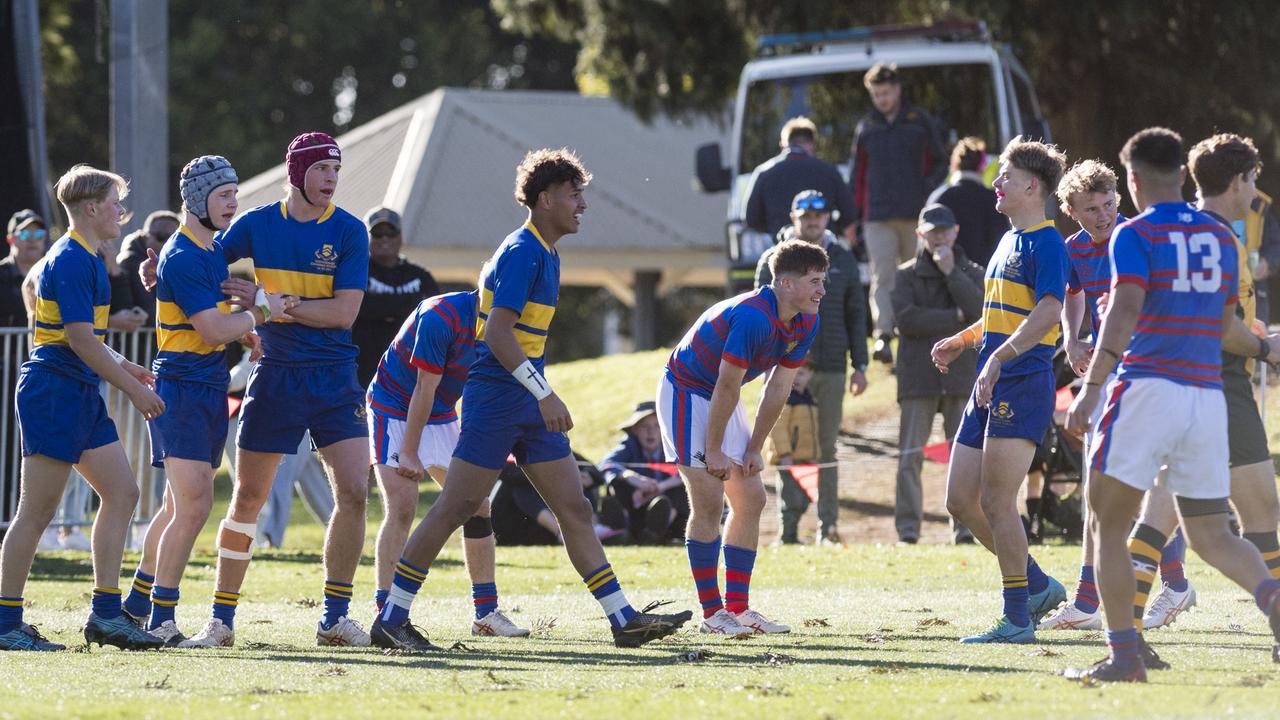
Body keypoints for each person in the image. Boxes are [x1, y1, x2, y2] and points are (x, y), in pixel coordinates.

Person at [368, 148, 691, 652]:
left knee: (576, 508)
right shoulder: (522, 251)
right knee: (457, 506)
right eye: (574, 194)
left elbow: (520, 338)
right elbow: (496, 334)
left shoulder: (546, 250)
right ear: (545, 200)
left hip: (523, 398)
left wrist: (538, 391)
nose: (582, 204)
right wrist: (543, 392)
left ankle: (623, 620)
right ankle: (392, 617)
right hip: (498, 399)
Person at [1062, 128, 1280, 682]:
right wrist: (1265, 349)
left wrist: (1090, 388)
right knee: (1213, 534)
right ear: (1183, 175)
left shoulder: (1133, 233)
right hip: (1208, 395)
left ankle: (1124, 659)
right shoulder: (1220, 235)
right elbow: (1225, 324)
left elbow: (1125, 307)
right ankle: (1275, 600)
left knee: (1107, 526)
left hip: (1147, 388)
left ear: (1131, 180)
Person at [141, 132, 373, 648]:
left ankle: (334, 618)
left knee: (355, 492)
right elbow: (198, 259)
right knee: (248, 498)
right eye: (321, 170)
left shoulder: (351, 231)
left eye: (336, 170)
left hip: (336, 378)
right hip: (276, 375)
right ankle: (220, 622)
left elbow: (343, 314)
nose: (332, 179)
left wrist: (273, 301)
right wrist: (158, 269)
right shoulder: (255, 223)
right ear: (297, 174)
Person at [117, 157, 290, 645]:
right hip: (184, 388)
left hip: (205, 383)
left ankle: (135, 605)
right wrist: (260, 313)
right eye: (223, 195)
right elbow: (212, 328)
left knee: (177, 505)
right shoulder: (188, 255)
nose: (232, 202)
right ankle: (162, 621)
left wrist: (245, 328)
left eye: (235, 192)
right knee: (193, 506)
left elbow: (211, 323)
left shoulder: (208, 249)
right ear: (196, 200)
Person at [0, 165, 166, 651]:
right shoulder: (72, 259)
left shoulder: (90, 257)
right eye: (116, 203)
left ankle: (106, 616)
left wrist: (127, 366)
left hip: (77, 389)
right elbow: (77, 342)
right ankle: (6, 624)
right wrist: (134, 392)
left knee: (123, 493)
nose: (122, 212)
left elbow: (89, 341)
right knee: (37, 511)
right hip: (54, 391)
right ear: (91, 208)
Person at [1038, 160, 1192, 634]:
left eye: (1108, 205)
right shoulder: (1073, 249)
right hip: (1109, 376)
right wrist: (1072, 337)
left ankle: (1170, 584)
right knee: (1103, 488)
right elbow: (1073, 293)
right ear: (1069, 211)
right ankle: (1097, 599)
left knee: (1133, 487)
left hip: (1144, 373)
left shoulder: (1137, 237)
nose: (1103, 215)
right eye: (1091, 209)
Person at [931, 138, 1069, 643]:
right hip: (989, 378)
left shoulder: (1047, 243)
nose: (996, 183)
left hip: (1023, 382)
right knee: (959, 502)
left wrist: (998, 357)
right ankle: (1036, 585)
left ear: (1032, 186)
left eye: (1005, 175)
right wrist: (964, 340)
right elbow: (997, 316)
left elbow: (1049, 313)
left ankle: (1018, 618)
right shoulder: (1007, 239)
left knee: (995, 502)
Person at [660, 239, 825, 636]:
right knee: (709, 500)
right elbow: (728, 384)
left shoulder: (806, 318)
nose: (822, 290)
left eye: (824, 280)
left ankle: (739, 608)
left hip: (719, 396)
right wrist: (714, 450)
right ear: (785, 284)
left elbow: (778, 388)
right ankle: (712, 613)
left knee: (751, 498)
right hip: (686, 390)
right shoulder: (752, 317)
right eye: (815, 281)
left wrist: (753, 448)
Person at [366, 288, 528, 637]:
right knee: (403, 506)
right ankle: (387, 613)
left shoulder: (505, 324)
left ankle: (486, 614)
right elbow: (424, 386)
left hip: (441, 413)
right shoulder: (442, 314)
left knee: (478, 506)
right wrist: (409, 451)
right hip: (393, 406)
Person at [755, 190, 868, 544]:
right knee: (785, 448)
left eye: (818, 215)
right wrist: (771, 363)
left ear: (827, 218)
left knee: (826, 449)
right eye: (804, 215)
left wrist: (859, 364)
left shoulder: (844, 260)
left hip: (832, 365)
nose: (812, 221)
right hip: (784, 367)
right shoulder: (772, 260)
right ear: (793, 218)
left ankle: (827, 527)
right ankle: (788, 529)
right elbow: (760, 315)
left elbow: (856, 314)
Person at [890, 203, 984, 545]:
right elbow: (906, 320)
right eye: (932, 232)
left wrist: (951, 274)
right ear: (920, 235)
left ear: (955, 231)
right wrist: (954, 317)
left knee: (965, 458)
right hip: (919, 379)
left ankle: (965, 529)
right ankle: (908, 531)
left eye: (944, 230)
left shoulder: (972, 272)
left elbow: (980, 314)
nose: (939, 237)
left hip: (961, 378)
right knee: (909, 458)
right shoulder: (905, 275)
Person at [851, 62, 948, 364]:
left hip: (915, 214)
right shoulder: (867, 127)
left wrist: (925, 190)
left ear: (897, 90)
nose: (882, 99)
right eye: (876, 94)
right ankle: (883, 334)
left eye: (886, 93)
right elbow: (857, 176)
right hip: (877, 216)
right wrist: (853, 218)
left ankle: (913, 334)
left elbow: (940, 162)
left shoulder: (918, 121)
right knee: (883, 276)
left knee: (914, 273)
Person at [353, 207, 439, 388]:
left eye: (391, 233)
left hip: (409, 373)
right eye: (377, 233)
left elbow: (435, 316)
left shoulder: (420, 275)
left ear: (401, 236)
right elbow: (355, 308)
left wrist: (378, 308)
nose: (385, 239)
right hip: (362, 372)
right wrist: (408, 307)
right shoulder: (355, 271)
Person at [744, 117, 857, 241]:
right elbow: (849, 214)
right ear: (813, 144)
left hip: (782, 250)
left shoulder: (764, 172)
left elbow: (751, 219)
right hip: (821, 252)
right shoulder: (829, 171)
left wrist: (775, 227)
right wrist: (829, 226)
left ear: (783, 145)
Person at [601, 401, 688, 544]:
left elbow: (691, 469)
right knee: (617, 483)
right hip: (635, 506)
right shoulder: (629, 445)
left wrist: (659, 488)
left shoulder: (674, 446)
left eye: (657, 426)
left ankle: (656, 534)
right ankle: (621, 530)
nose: (651, 432)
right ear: (635, 430)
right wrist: (632, 478)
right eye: (644, 427)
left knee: (680, 491)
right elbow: (606, 465)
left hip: (669, 506)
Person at [763, 357, 820, 544]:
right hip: (788, 460)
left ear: (810, 375)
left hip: (806, 460)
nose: (797, 378)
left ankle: (791, 534)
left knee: (805, 500)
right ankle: (787, 536)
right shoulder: (785, 398)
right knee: (790, 500)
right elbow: (777, 427)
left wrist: (813, 455)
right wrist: (785, 453)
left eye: (802, 373)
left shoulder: (809, 399)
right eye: (794, 373)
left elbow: (811, 431)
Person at [927, 137, 1006, 267]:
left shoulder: (939, 197)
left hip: (946, 275)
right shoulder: (995, 200)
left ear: (953, 165)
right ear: (982, 166)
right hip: (985, 277)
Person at [116, 210, 180, 325]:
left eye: (174, 239)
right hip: (136, 339)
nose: (168, 244)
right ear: (146, 237)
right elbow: (148, 308)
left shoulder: (175, 261)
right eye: (162, 237)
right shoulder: (132, 261)